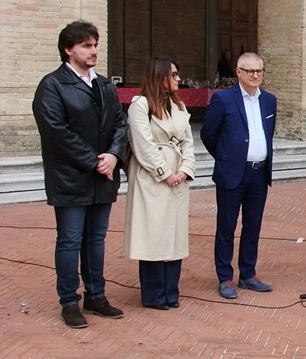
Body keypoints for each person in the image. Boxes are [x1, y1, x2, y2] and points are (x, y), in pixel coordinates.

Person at [32, 20, 129, 328]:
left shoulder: (103, 84)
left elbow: (120, 123)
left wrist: (114, 155)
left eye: (96, 45)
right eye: (87, 45)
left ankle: (96, 296)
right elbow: (55, 132)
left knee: (96, 239)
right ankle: (69, 302)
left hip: (103, 176)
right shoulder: (52, 85)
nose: (94, 51)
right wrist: (93, 161)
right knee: (71, 239)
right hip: (71, 176)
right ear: (68, 49)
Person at [200, 52, 276, 299]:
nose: (256, 75)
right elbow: (208, 135)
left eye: (260, 71)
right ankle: (225, 277)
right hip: (233, 172)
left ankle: (248, 274)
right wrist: (226, 158)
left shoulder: (269, 101)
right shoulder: (223, 99)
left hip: (259, 172)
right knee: (226, 226)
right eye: (250, 70)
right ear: (238, 72)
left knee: (253, 225)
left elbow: (268, 133)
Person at [123, 58, 195, 310]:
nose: (178, 79)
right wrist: (164, 173)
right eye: (173, 74)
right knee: (153, 234)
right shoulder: (140, 105)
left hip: (177, 175)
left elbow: (188, 141)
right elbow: (142, 144)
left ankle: (170, 292)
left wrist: (185, 170)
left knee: (175, 234)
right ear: (160, 76)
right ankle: (153, 294)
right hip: (152, 178)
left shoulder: (179, 105)